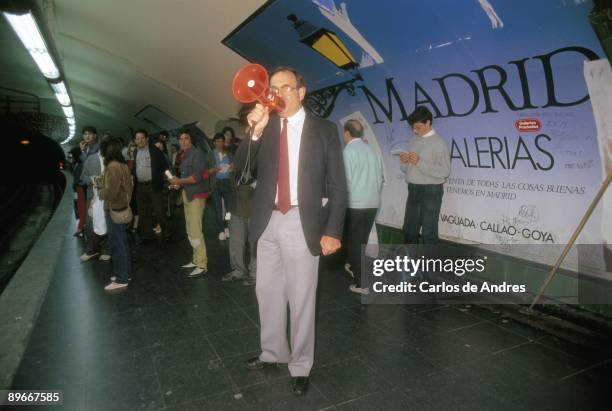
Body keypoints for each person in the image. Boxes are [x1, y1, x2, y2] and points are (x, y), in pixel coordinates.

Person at [234, 67, 347, 396]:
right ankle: (273, 353)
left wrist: (333, 229)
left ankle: (300, 365)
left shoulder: (324, 130)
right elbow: (240, 171)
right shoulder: (265, 127)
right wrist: (253, 132)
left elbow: (338, 186)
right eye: (273, 87)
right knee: (267, 293)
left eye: (286, 87)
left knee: (301, 298)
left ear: (301, 92)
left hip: (303, 221)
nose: (278, 93)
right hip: (267, 220)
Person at [342, 119, 383, 295]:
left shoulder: (347, 151)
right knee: (362, 242)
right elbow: (380, 179)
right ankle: (355, 267)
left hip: (355, 204)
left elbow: (346, 182)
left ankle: (361, 283)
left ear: (346, 133)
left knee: (353, 242)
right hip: (373, 202)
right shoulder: (371, 151)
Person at [400, 106, 451, 244]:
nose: (415, 130)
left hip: (431, 191)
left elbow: (445, 171)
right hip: (413, 188)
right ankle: (410, 264)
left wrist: (419, 163)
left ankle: (431, 265)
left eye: (418, 127)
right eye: (413, 127)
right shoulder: (413, 140)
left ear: (428, 123)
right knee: (409, 230)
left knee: (429, 232)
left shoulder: (439, 143)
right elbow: (407, 170)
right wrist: (404, 162)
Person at [168, 130, 211, 277]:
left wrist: (178, 181)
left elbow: (196, 178)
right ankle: (196, 259)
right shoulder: (184, 155)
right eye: (180, 139)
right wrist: (178, 185)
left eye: (186, 138)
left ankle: (202, 264)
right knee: (190, 229)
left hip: (196, 197)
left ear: (191, 140)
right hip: (188, 194)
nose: (183, 141)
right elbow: (186, 178)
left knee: (196, 230)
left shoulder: (197, 154)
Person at [96, 135, 133, 291]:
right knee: (122, 243)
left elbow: (110, 193)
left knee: (117, 244)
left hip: (114, 209)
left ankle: (121, 278)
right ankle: (124, 272)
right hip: (122, 207)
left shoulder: (112, 167)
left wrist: (100, 191)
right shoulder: (123, 165)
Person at [132, 129, 171, 243]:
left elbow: (165, 166)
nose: (140, 140)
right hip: (140, 186)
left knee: (159, 211)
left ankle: (167, 233)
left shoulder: (154, 151)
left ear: (147, 139)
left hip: (153, 185)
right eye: (137, 138)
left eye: (142, 138)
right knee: (143, 212)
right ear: (135, 140)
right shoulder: (135, 152)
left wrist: (171, 179)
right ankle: (146, 235)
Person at [209, 133, 234, 241]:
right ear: (214, 142)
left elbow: (234, 167)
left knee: (229, 208)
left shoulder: (229, 154)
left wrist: (232, 168)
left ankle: (227, 227)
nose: (220, 143)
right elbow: (206, 171)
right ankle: (221, 229)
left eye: (221, 141)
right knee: (218, 208)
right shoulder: (210, 155)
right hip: (216, 183)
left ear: (224, 142)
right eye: (217, 141)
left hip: (227, 182)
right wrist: (214, 169)